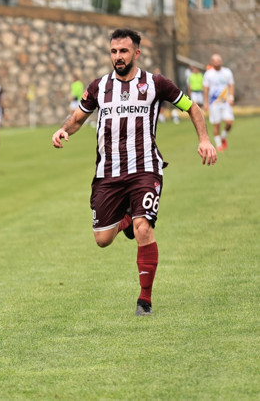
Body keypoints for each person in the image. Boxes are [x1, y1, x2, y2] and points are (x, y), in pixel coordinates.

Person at [51, 28, 217, 316]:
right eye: (114, 51)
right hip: (108, 172)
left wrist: (204, 139)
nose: (118, 56)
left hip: (145, 169)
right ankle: (125, 221)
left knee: (144, 228)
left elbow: (193, 108)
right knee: (102, 240)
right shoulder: (99, 86)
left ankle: (145, 300)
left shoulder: (155, 84)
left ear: (136, 53)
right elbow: (78, 118)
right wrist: (63, 130)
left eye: (124, 51)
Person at [202, 54, 235, 151]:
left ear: (221, 61)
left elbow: (231, 85)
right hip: (214, 102)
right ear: (211, 62)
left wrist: (231, 97)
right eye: (214, 60)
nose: (216, 62)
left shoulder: (227, 72)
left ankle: (223, 137)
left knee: (229, 122)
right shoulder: (208, 74)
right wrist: (206, 103)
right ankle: (219, 145)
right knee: (216, 124)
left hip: (225, 102)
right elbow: (206, 89)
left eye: (218, 60)